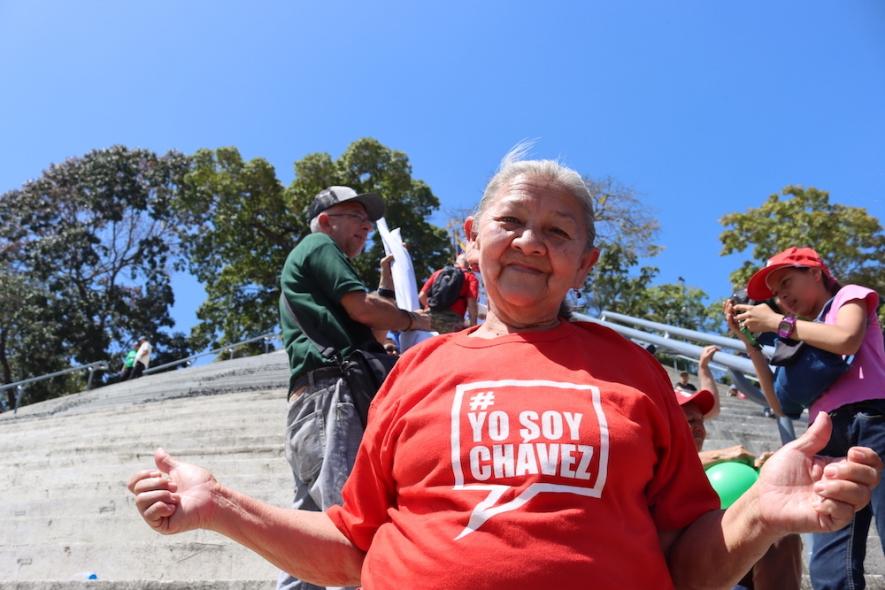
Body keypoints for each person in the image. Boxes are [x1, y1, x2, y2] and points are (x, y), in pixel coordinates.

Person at [130, 153, 881, 590]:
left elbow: (684, 566)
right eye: (511, 221)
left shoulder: (634, 372)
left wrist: (757, 516)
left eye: (557, 233)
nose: (529, 241)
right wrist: (219, 504)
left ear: (584, 265)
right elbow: (352, 551)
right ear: (471, 239)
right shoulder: (415, 373)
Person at [276, 186, 430, 590]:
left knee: (304, 541)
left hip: (310, 404)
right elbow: (362, 310)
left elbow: (370, 323)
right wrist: (420, 321)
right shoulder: (319, 245)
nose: (366, 226)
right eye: (356, 217)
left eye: (367, 219)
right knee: (349, 530)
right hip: (331, 400)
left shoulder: (315, 262)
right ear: (327, 221)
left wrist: (384, 282)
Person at [725, 246, 885, 590]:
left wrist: (778, 323)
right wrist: (751, 342)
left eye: (787, 282)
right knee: (830, 557)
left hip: (875, 421)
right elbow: (779, 403)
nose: (782, 296)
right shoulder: (799, 335)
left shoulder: (849, 296)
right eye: (777, 294)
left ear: (815, 272)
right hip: (827, 437)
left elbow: (846, 338)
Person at [675, 387, 802, 590]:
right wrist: (721, 455)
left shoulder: (719, 469)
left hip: (727, 567)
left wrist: (765, 471)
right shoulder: (657, 462)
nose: (699, 427)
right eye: (690, 421)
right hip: (681, 566)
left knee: (778, 532)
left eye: (700, 421)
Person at [418, 253, 479, 333]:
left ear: (455, 263)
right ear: (469, 265)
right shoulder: (470, 277)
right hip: (452, 322)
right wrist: (473, 326)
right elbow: (472, 305)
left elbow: (421, 295)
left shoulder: (439, 273)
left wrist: (431, 307)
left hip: (430, 318)